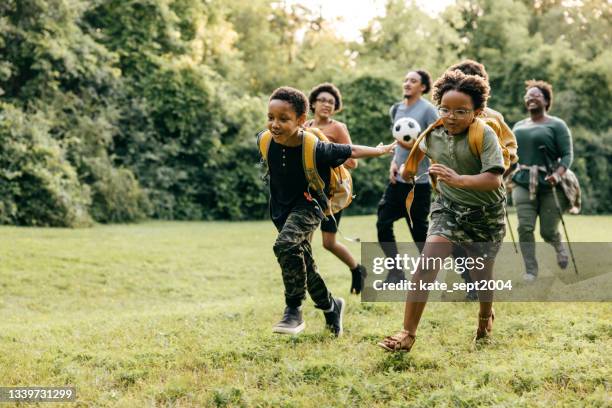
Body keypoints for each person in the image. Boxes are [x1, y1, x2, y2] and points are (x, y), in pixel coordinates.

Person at [377, 70, 506, 352]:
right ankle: (407, 333)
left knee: (480, 274)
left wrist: (458, 179)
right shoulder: (433, 132)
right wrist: (407, 170)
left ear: (477, 111)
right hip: (448, 208)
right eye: (445, 109)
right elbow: (418, 150)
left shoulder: (483, 134)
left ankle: (486, 316)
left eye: (461, 111)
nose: (451, 116)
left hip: (486, 213)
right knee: (426, 264)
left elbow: (494, 179)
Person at [259, 86, 395, 336]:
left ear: (301, 121)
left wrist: (380, 150)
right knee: (305, 266)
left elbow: (351, 152)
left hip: (310, 206)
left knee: (285, 245)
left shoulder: (316, 148)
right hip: (281, 210)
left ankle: (293, 310)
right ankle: (331, 307)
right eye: (270, 118)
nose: (274, 125)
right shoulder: (265, 140)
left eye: (283, 119)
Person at [447, 60, 518, 299]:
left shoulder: (494, 117)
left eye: (470, 77)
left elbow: (510, 149)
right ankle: (469, 281)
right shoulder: (448, 115)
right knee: (453, 242)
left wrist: (497, 172)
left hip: (484, 193)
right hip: (453, 193)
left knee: (481, 248)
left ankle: (480, 287)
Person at [304, 83, 367, 295]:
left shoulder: (337, 128)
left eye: (331, 102)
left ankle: (357, 270)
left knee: (328, 243)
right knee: (305, 240)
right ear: (313, 103)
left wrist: (328, 157)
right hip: (308, 192)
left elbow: (353, 163)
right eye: (322, 100)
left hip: (331, 193)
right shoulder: (305, 125)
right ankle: (308, 286)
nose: (326, 104)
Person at [377, 70, 438, 283]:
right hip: (397, 182)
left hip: (418, 183)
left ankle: (440, 275)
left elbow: (436, 141)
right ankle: (396, 272)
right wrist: (394, 162)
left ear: (423, 87)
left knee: (420, 235)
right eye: (406, 80)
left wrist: (411, 146)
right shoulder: (397, 109)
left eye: (413, 81)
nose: (407, 83)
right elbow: (398, 143)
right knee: (383, 223)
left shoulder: (429, 110)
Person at [511, 80, 573, 281]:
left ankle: (558, 246)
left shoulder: (556, 125)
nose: (531, 97)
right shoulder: (518, 126)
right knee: (524, 228)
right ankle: (531, 270)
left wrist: (557, 174)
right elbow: (511, 155)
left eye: (536, 94)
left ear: (546, 100)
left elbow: (567, 155)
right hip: (522, 182)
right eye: (528, 95)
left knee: (547, 231)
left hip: (549, 184)